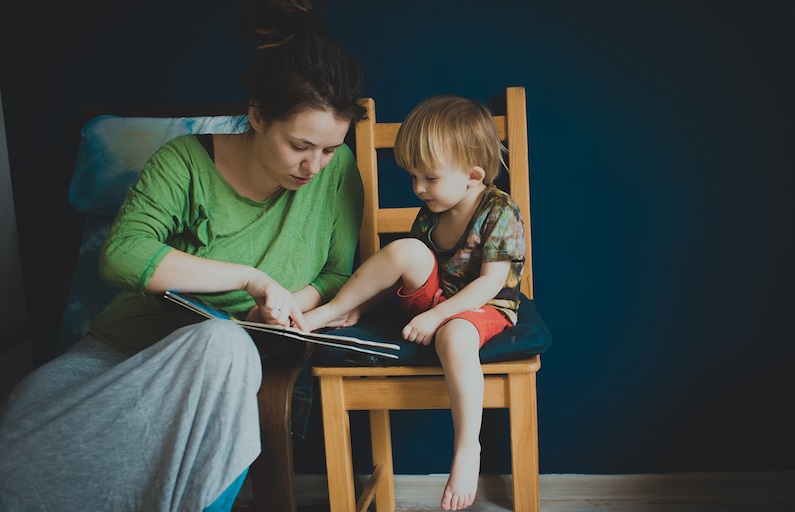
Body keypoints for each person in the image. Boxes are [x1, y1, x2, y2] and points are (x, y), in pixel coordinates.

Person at [0, 1, 366, 510]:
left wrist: (282, 308)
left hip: (224, 366)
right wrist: (250, 279)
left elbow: (337, 274)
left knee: (227, 344)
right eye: (300, 145)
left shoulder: (338, 171)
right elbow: (122, 255)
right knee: (27, 418)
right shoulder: (186, 161)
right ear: (258, 116)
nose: (315, 166)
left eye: (328, 149)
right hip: (120, 355)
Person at [303, 95, 526, 511]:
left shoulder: (500, 211)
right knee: (407, 249)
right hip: (434, 301)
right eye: (413, 176)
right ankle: (333, 309)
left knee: (454, 336)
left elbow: (491, 283)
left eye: (429, 177)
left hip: (485, 307)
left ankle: (467, 448)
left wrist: (439, 315)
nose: (418, 188)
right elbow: (403, 270)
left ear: (473, 175)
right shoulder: (431, 212)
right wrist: (363, 308)